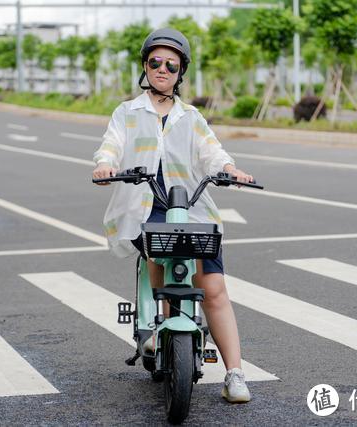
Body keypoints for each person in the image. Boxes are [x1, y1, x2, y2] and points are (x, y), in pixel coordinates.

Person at [92, 28, 254, 403]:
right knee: (156, 255)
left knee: (213, 290)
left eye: (171, 64)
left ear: (180, 72)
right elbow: (111, 146)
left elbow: (212, 152)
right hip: (145, 207)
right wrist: (104, 166)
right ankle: (154, 329)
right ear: (145, 67)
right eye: (155, 62)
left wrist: (229, 169)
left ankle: (235, 373)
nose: (162, 69)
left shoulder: (191, 117)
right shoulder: (127, 113)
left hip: (192, 209)